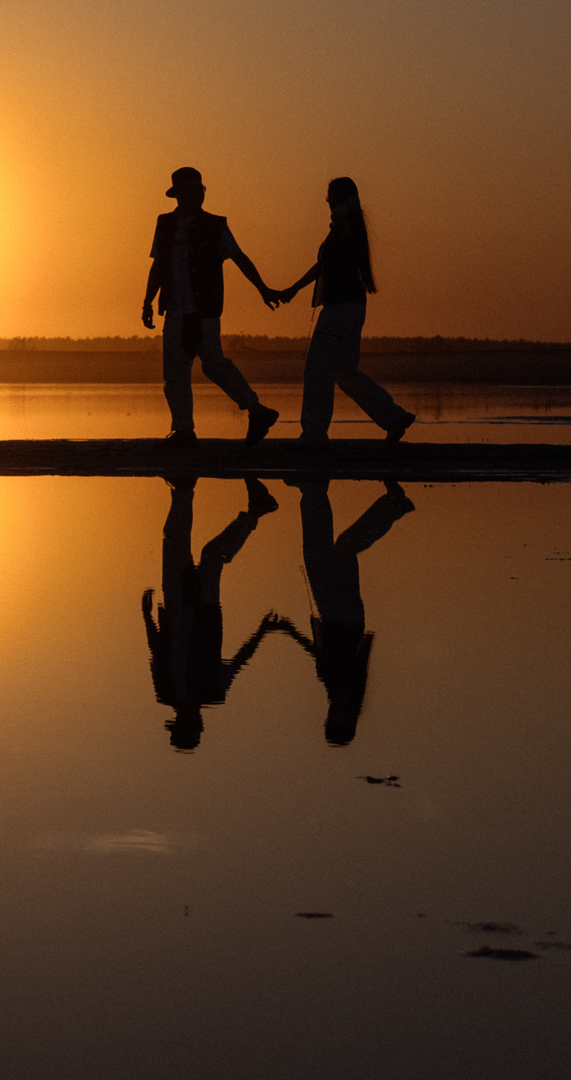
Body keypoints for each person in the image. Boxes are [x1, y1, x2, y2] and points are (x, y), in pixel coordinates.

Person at [140, 167, 284, 442]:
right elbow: (158, 264)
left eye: (201, 189)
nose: (199, 194)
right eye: (192, 189)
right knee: (174, 372)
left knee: (213, 364)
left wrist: (262, 288)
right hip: (174, 309)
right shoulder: (165, 223)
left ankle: (256, 410)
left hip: (204, 310)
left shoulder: (214, 225)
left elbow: (239, 257)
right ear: (178, 194)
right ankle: (183, 429)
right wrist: (147, 302)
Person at [141, 476, 282, 750]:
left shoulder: (166, 692)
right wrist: (263, 631)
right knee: (211, 555)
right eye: (186, 727)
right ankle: (253, 511)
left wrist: (147, 616)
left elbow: (158, 651)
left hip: (176, 606)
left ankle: (184, 488)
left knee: (175, 542)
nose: (186, 721)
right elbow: (239, 659)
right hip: (203, 609)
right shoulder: (211, 692)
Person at [270, 478, 413, 745]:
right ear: (343, 719)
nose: (330, 715)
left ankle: (320, 492)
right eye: (334, 720)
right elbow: (334, 657)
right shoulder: (346, 690)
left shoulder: (337, 689)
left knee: (341, 548)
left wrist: (290, 632)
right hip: (341, 616)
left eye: (329, 720)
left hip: (339, 616)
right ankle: (315, 491)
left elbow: (320, 652)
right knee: (331, 550)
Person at [276, 177, 414, 442]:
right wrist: (294, 289)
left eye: (330, 198)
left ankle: (313, 435)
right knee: (345, 373)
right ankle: (393, 417)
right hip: (352, 308)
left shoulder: (345, 226)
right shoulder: (345, 230)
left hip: (339, 312)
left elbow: (340, 220)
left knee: (317, 371)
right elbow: (322, 267)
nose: (327, 203)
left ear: (340, 200)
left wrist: (345, 207)